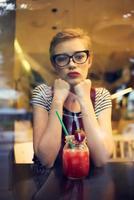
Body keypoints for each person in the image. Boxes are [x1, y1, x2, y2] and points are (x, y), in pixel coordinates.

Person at [31, 28, 114, 173]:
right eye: (62, 58)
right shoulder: (43, 94)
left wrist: (84, 99)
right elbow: (46, 160)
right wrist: (57, 101)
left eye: (79, 56)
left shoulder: (101, 96)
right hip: (50, 185)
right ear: (54, 64)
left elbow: (101, 158)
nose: (72, 64)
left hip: (90, 184)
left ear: (89, 60)